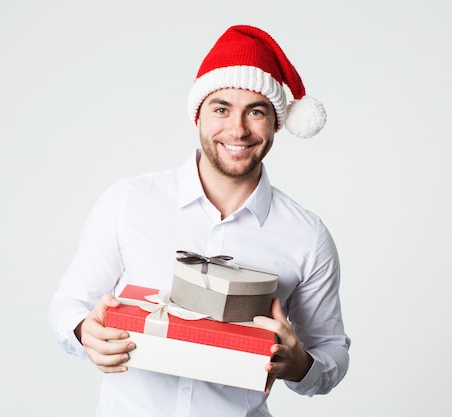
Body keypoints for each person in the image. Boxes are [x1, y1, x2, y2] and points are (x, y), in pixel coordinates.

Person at [48, 24, 350, 417]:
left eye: (255, 111)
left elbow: (331, 350)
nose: (237, 129)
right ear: (198, 116)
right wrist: (82, 331)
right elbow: (68, 302)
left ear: (276, 123)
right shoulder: (129, 202)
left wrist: (301, 366)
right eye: (221, 108)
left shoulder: (306, 236)